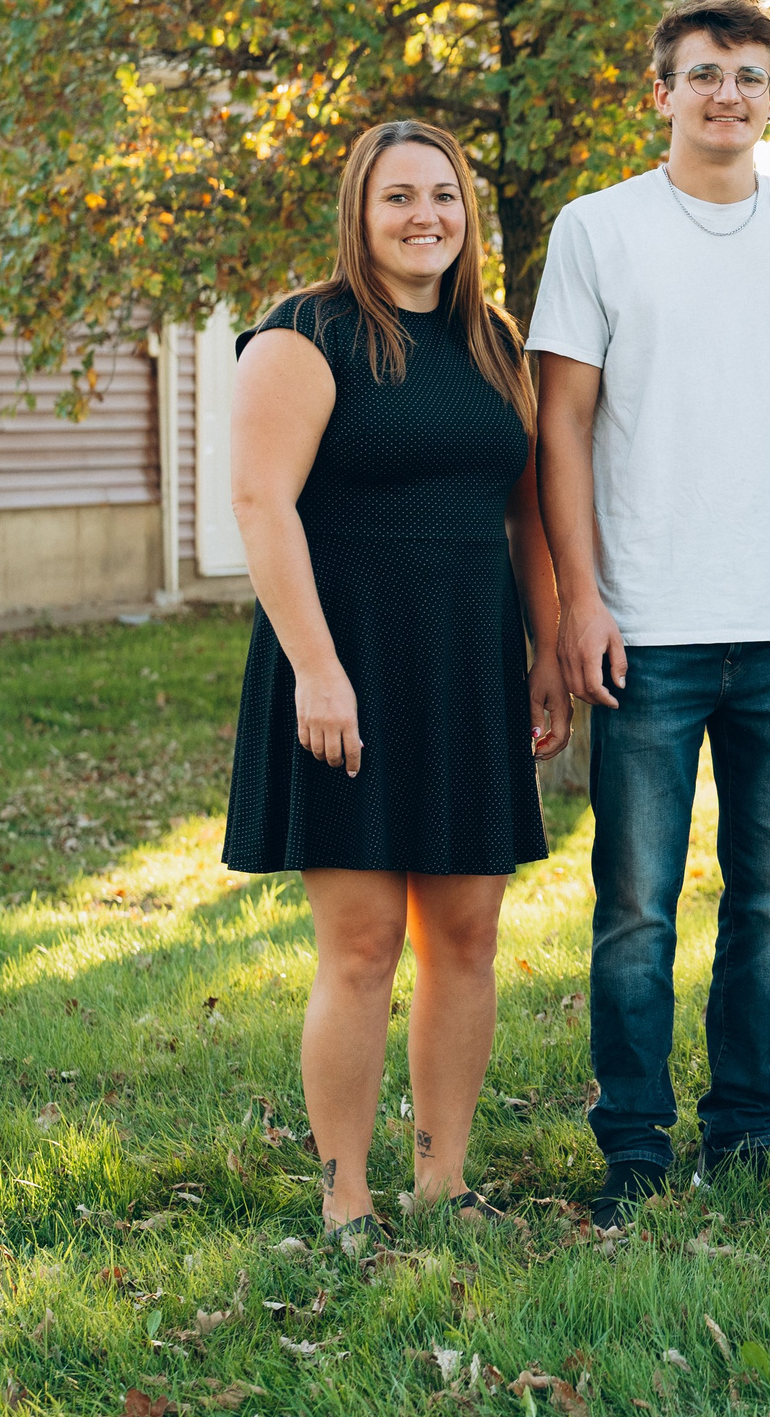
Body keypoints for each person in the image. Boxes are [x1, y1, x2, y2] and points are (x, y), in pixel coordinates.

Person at [528, 0, 770, 1228]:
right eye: (702, 75)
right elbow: (560, 425)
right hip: (646, 626)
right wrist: (581, 599)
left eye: (748, 75)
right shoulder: (598, 230)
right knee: (635, 904)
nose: (726, 94)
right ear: (662, 90)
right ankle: (632, 1141)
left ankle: (743, 1127)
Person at [224, 119, 566, 1254]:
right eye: (398, 198)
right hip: (350, 661)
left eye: (445, 197)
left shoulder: (491, 341)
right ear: (359, 215)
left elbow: (525, 512)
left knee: (466, 935)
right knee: (363, 944)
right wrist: (318, 673)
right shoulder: (304, 333)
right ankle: (345, 1200)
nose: (426, 217)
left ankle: (445, 1184)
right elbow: (260, 506)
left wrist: (548, 653)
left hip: (469, 662)